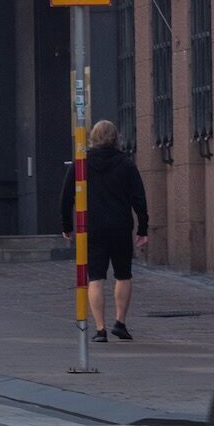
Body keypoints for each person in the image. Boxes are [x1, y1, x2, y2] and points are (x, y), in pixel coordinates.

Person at [58, 118, 149, 342]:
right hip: (120, 226)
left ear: (93, 138)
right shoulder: (126, 164)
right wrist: (143, 228)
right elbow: (139, 199)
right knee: (123, 274)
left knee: (96, 278)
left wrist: (66, 226)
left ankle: (100, 329)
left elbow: (66, 197)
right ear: (116, 138)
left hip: (92, 227)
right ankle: (120, 322)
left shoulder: (81, 163)